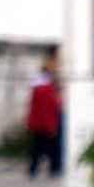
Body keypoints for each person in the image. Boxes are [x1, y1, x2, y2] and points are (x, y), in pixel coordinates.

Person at [26, 50, 63, 179]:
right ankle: (53, 169)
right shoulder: (46, 89)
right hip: (45, 124)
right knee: (50, 148)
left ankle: (34, 170)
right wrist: (51, 126)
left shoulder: (38, 86)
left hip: (39, 123)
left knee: (38, 148)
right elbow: (47, 108)